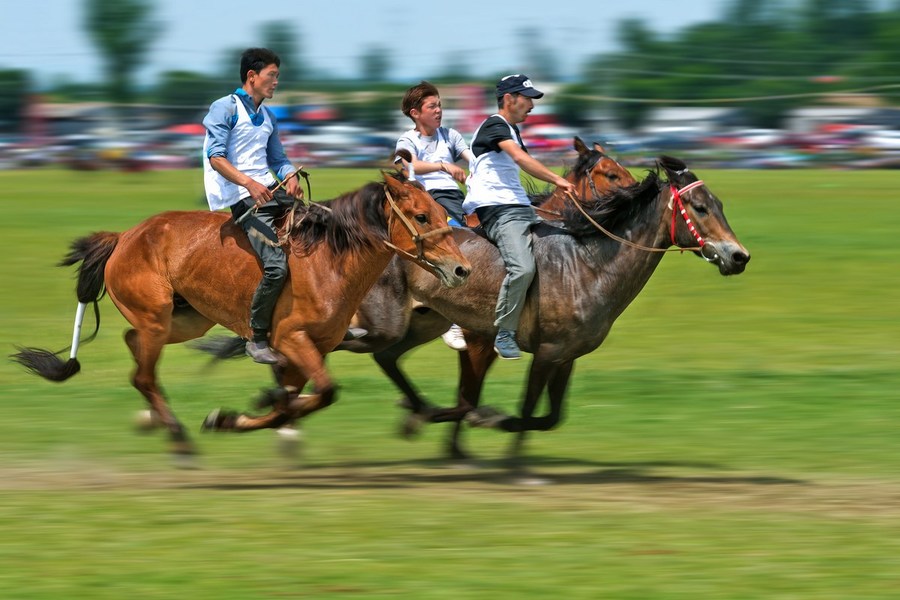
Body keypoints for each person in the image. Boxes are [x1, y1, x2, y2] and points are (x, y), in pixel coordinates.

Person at [462, 74, 575, 360]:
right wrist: (558, 181)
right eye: (528, 99)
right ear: (509, 99)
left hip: (519, 207)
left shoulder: (511, 129)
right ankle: (505, 332)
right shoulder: (494, 125)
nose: (532, 106)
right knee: (523, 268)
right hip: (498, 211)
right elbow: (522, 160)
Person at [202, 47, 302, 364]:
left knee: (325, 230)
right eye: (272, 76)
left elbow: (278, 159)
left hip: (268, 191)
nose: (276, 82)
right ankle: (256, 338)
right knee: (275, 267)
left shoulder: (269, 115)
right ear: (252, 76)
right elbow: (216, 158)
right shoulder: (224, 109)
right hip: (242, 198)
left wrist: (289, 176)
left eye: (277, 77)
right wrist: (249, 183)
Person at [396, 81, 474, 352]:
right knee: (455, 243)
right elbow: (409, 164)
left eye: (440, 104)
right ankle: (453, 320)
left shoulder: (450, 135)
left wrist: (479, 167)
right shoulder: (408, 140)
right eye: (433, 106)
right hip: (429, 201)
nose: (439, 110)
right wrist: (444, 165)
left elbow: (470, 156)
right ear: (416, 113)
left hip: (456, 197)